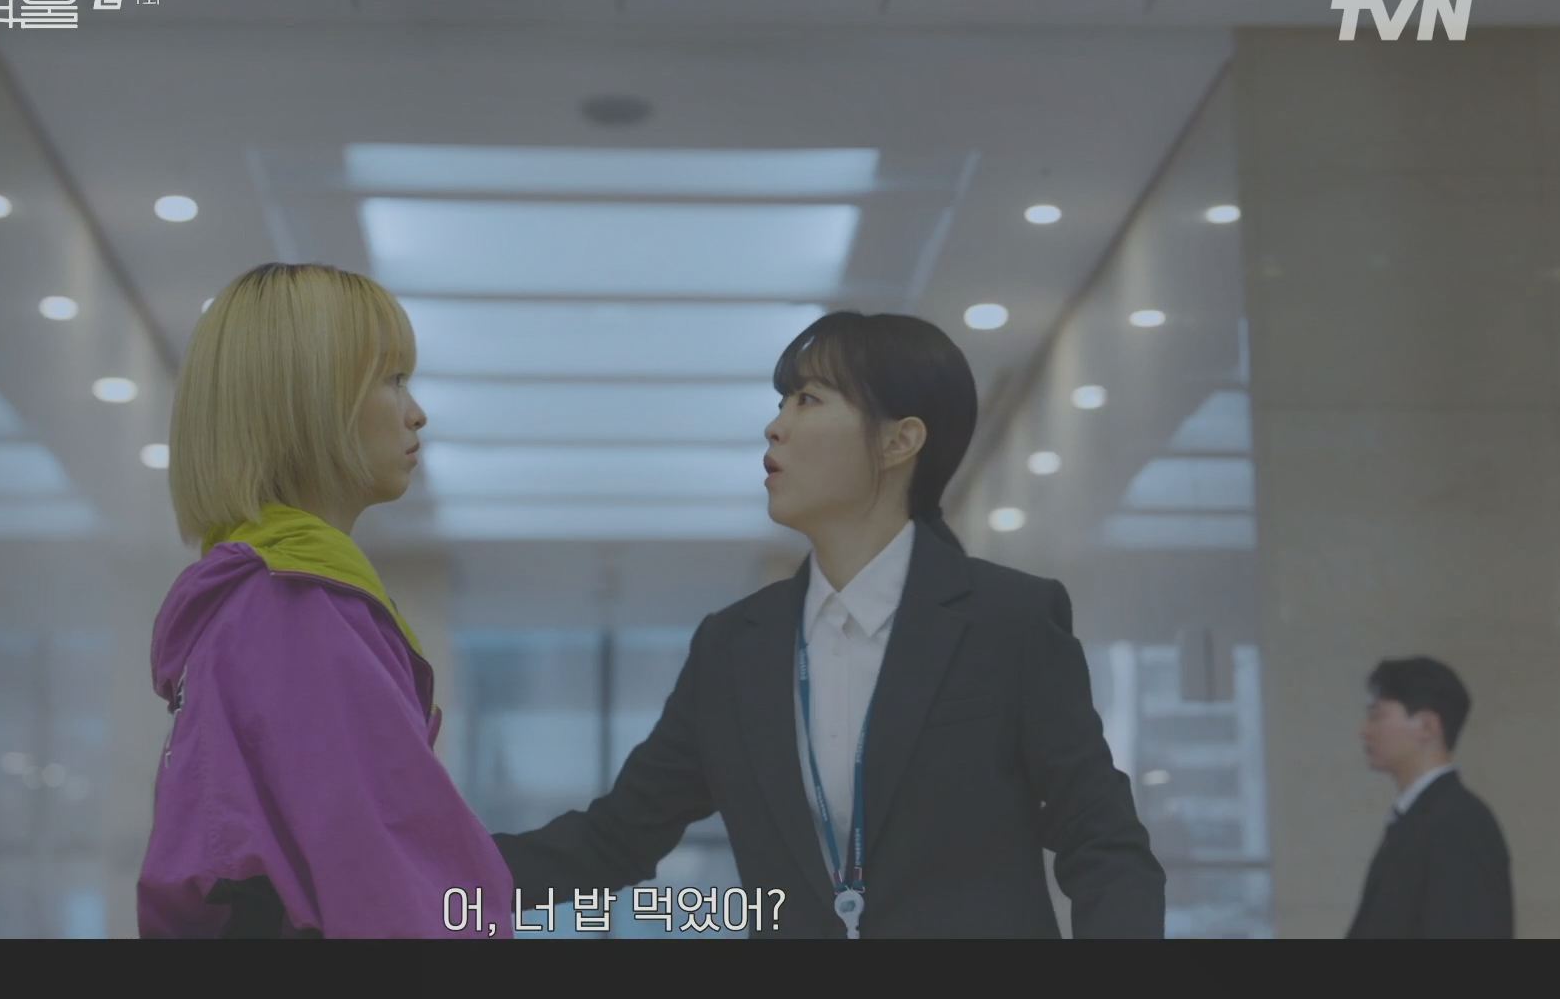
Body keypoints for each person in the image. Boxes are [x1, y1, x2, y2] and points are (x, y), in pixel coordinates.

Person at [493, 310, 1165, 938]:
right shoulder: (733, 648)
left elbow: (1101, 841)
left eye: (808, 400)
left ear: (900, 440)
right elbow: (614, 840)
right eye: (781, 402)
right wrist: (440, 873)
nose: (775, 427)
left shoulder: (1005, 620)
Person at [136, 262, 513, 939]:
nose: (416, 412)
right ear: (309, 402)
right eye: (392, 379)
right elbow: (382, 880)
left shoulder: (244, 601)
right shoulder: (295, 607)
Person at [1348, 656, 1513, 938]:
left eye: (1377, 715)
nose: (1364, 731)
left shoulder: (1459, 823)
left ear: (1427, 726)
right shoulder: (1417, 818)